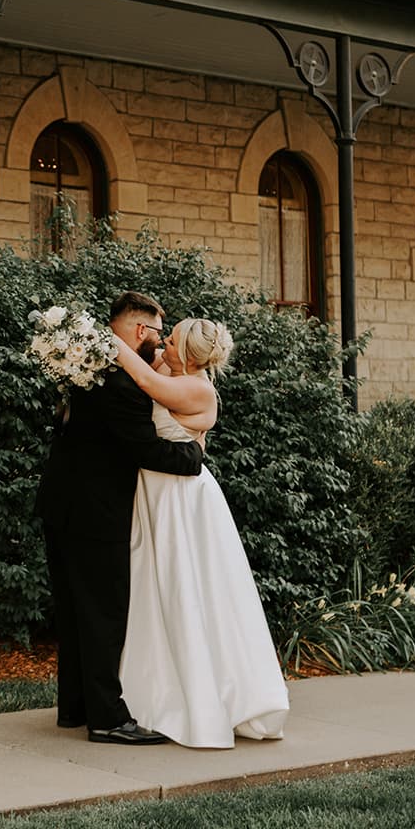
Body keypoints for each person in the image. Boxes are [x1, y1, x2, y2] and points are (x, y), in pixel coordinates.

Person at [36, 292, 209, 745]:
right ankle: (108, 719)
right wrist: (194, 457)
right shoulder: (122, 382)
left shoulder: (88, 365)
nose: (160, 342)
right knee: (103, 614)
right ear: (139, 332)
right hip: (96, 512)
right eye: (157, 332)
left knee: (75, 612)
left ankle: (74, 707)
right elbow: (145, 450)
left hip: (62, 505)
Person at [112, 317, 290, 748]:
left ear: (189, 355)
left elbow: (143, 383)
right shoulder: (172, 370)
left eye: (170, 341)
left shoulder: (197, 387)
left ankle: (205, 699)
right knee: (154, 591)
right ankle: (150, 694)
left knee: (185, 590)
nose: (162, 343)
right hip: (154, 492)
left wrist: (102, 340)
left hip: (180, 499)